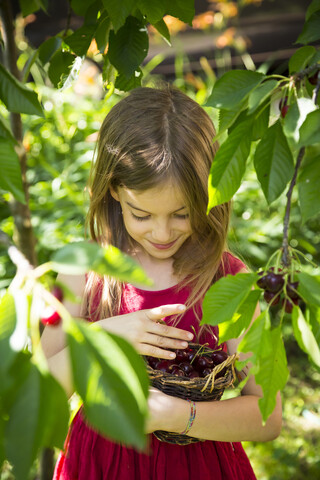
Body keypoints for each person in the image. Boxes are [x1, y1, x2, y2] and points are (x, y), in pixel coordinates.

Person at [41, 85, 282, 480]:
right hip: (101, 464)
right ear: (115, 191)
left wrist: (177, 415)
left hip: (199, 467)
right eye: (142, 214)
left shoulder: (230, 281)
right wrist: (102, 339)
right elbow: (44, 398)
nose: (162, 232)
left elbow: (268, 417)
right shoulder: (83, 271)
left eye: (182, 213)